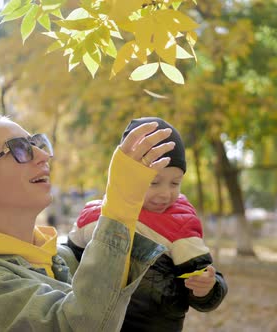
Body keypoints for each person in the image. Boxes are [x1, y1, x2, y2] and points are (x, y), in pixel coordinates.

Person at [0, 112, 176, 331]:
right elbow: (80, 325)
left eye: (37, 143)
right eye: (19, 149)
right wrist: (121, 201)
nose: (43, 155)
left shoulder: (58, 256)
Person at [67, 117, 228, 332]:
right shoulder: (97, 215)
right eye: (153, 182)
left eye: (175, 183)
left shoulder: (179, 224)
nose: (165, 193)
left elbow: (204, 277)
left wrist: (206, 288)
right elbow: (66, 264)